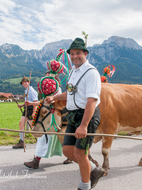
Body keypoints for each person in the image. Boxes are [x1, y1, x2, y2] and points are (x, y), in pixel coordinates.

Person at [46, 38, 105, 190]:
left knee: (80, 154)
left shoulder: (91, 73)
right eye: (71, 54)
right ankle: (94, 169)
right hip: (74, 115)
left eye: (78, 53)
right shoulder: (74, 70)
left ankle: (84, 186)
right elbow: (71, 92)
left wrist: (84, 126)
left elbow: (91, 101)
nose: (74, 56)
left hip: (87, 116)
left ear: (85, 53)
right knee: (67, 150)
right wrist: (54, 97)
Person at [24, 71, 72, 169]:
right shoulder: (48, 90)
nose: (45, 79)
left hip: (53, 118)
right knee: (51, 138)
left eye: (47, 77)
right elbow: (43, 103)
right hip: (48, 117)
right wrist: (31, 104)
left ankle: (36, 160)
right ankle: (37, 160)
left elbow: (54, 103)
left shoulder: (56, 89)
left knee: (48, 138)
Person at [12, 76, 38, 149]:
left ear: (29, 82)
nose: (24, 84)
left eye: (26, 82)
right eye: (23, 83)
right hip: (26, 108)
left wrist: (34, 112)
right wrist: (22, 105)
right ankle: (22, 141)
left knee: (32, 127)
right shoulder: (27, 90)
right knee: (21, 124)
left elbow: (35, 101)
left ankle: (41, 141)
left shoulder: (31, 90)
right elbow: (28, 101)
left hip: (30, 109)